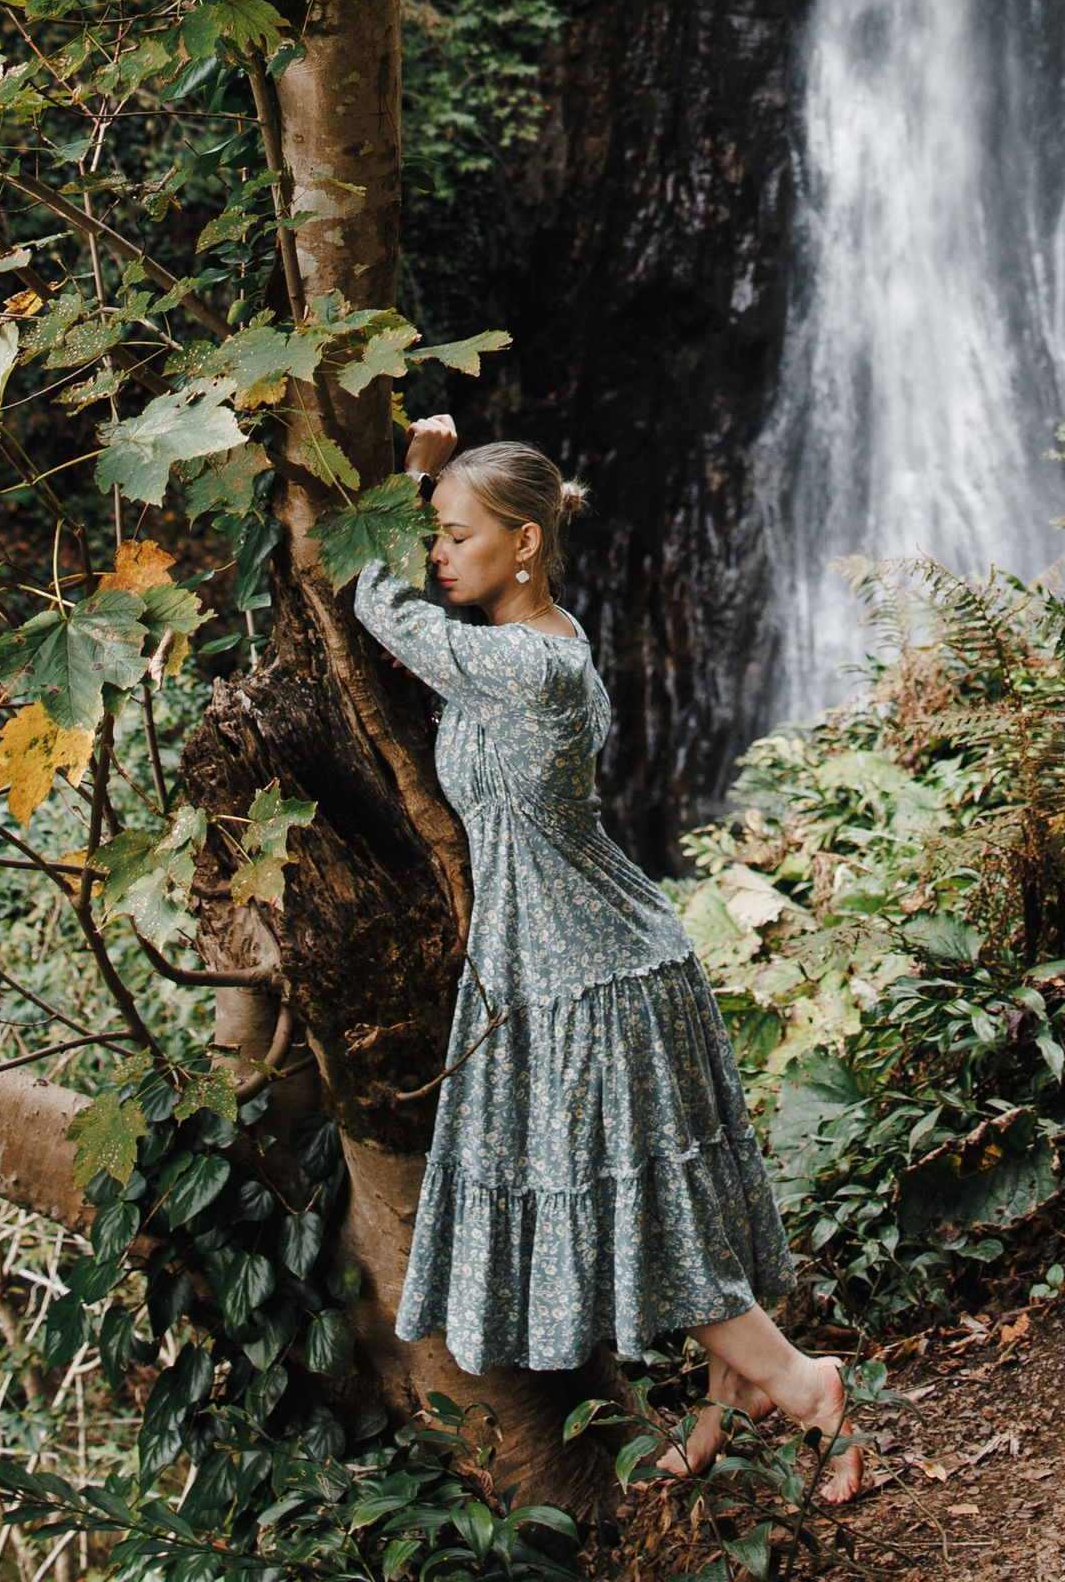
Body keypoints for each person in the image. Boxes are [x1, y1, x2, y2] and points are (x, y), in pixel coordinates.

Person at [354, 421, 861, 1492]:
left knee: (645, 1206)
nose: (437, 554)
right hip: (575, 957)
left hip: (592, 975)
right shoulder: (537, 642)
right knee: (650, 1195)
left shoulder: (517, 668)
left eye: (454, 535)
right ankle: (735, 1404)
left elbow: (370, 599)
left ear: (525, 541)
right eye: (431, 535)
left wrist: (404, 476)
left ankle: (806, 1386)